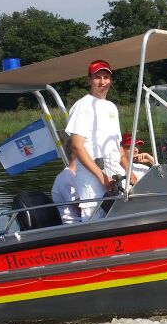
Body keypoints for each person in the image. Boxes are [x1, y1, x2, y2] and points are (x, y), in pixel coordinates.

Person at [65, 59, 132, 220]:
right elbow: (77, 147)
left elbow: (118, 146)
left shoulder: (111, 107)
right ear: (89, 80)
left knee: (122, 214)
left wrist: (130, 171)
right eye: (97, 77)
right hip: (92, 175)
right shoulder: (82, 106)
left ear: (111, 80)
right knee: (95, 217)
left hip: (115, 172)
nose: (102, 82)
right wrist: (102, 177)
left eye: (106, 77)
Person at [51, 139, 80, 224]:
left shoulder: (78, 175)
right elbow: (80, 208)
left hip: (86, 219)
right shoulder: (66, 178)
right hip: (75, 224)